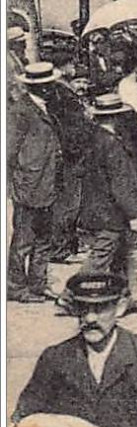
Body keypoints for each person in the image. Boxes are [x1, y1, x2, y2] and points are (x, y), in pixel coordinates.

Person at [10, 273, 137, 427]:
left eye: (100, 308)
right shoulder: (55, 359)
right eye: (83, 308)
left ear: (120, 308)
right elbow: (25, 418)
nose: (90, 318)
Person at [76, 94, 137, 313]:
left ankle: (125, 296)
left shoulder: (93, 139)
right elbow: (121, 184)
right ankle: (70, 296)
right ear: (116, 117)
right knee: (101, 257)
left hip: (99, 208)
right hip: (112, 213)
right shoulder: (112, 144)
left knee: (124, 253)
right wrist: (134, 214)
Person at [8, 65, 62, 302]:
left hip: (48, 182)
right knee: (23, 240)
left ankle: (38, 284)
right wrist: (12, 184)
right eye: (48, 84)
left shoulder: (46, 107)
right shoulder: (20, 111)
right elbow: (8, 150)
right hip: (28, 184)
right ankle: (16, 286)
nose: (52, 88)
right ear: (39, 86)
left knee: (44, 237)